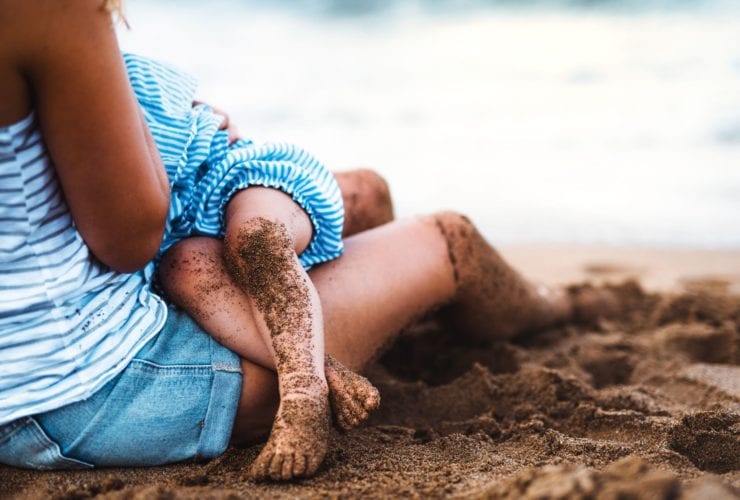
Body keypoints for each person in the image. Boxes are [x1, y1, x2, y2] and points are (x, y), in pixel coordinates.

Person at [0, 0, 613, 481]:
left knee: (314, 213)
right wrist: (169, 133)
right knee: (449, 237)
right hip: (86, 393)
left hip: (25, 375)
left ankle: (437, 320)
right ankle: (325, 369)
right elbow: (133, 237)